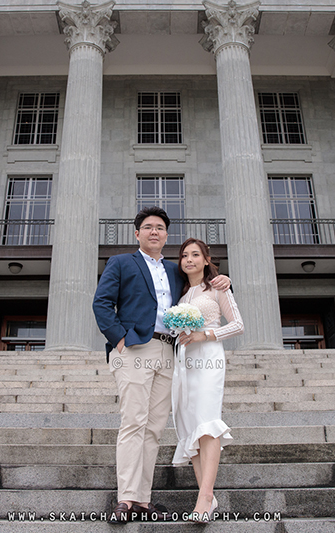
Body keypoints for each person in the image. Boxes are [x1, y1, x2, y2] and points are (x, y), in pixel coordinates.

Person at [93, 207, 231, 524]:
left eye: (160, 228)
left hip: (169, 352)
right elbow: (101, 303)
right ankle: (126, 498)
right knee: (133, 422)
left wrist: (221, 278)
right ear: (137, 233)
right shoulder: (121, 263)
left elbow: (202, 284)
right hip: (135, 348)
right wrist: (118, 339)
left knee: (154, 428)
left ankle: (143, 499)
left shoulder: (174, 270)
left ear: (166, 235)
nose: (154, 232)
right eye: (148, 227)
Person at [171, 238, 244, 523]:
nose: (189, 259)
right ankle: (207, 497)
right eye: (184, 255)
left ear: (205, 259)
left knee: (208, 421)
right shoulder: (182, 295)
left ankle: (204, 498)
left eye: (195, 255)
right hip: (185, 361)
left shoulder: (218, 287)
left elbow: (238, 324)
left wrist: (206, 334)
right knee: (193, 425)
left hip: (209, 357)